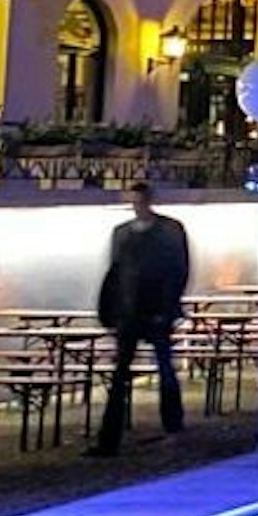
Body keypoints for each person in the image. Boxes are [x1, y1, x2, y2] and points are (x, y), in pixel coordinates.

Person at [87, 182, 190, 456]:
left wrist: (166, 308)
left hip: (148, 311)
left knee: (154, 371)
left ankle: (163, 428)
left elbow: (176, 271)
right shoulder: (149, 232)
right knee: (131, 373)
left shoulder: (149, 233)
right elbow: (117, 274)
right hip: (132, 313)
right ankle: (114, 437)